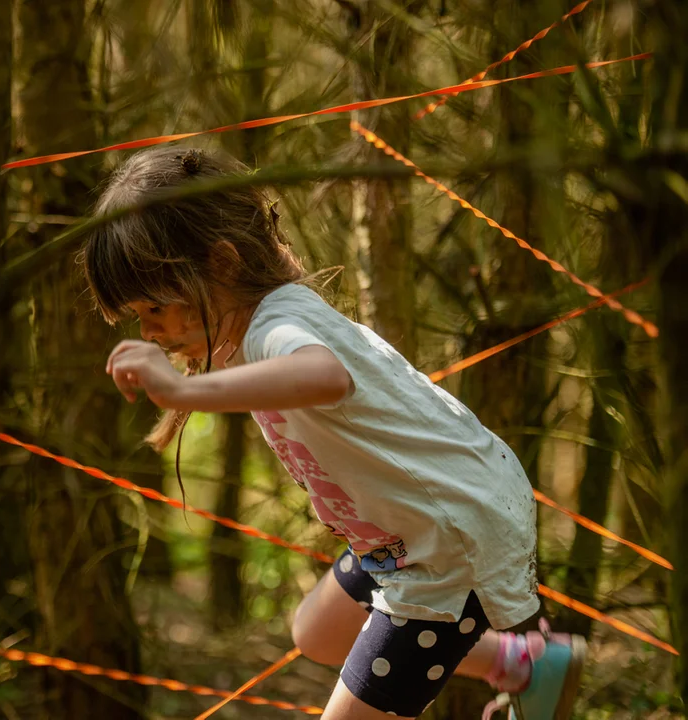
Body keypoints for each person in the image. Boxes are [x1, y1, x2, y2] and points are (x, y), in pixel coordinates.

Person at [80, 146, 586, 720]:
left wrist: (180, 392)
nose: (151, 331)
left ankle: (518, 664)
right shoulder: (266, 324)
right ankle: (523, 663)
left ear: (222, 265)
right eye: (137, 317)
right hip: (410, 533)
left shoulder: (279, 325)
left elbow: (322, 374)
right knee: (316, 631)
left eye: (157, 307)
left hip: (447, 548)